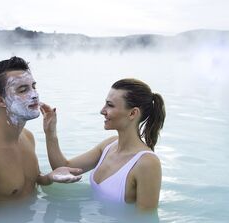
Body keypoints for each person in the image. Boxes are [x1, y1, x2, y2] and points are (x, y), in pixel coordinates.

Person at [0, 57, 82, 211]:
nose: (34, 95)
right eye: (23, 90)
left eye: (33, 87)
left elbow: (33, 179)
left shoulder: (27, 137)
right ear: (0, 100)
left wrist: (49, 177)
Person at [40, 78, 166, 210]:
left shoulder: (147, 163)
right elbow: (63, 168)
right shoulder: (109, 145)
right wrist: (50, 133)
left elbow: (145, 222)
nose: (102, 110)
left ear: (132, 113)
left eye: (110, 105)